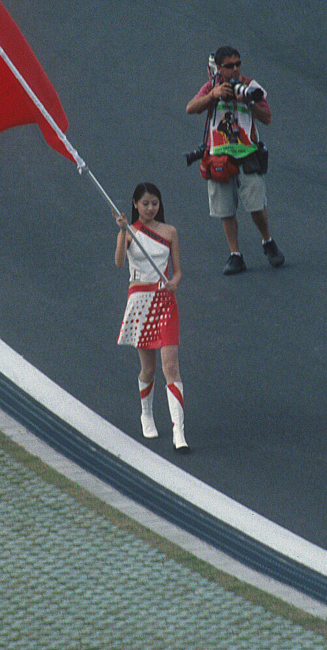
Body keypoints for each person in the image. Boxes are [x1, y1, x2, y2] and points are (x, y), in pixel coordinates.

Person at [185, 45, 285, 275]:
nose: (235, 69)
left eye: (238, 64)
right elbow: (190, 108)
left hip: (248, 154)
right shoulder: (211, 87)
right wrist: (213, 95)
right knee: (225, 210)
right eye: (229, 66)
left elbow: (267, 118)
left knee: (256, 205)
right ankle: (235, 254)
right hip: (219, 156)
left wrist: (249, 102)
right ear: (219, 68)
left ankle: (267, 241)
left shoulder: (251, 86)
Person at [114, 183, 188, 452]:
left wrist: (174, 283)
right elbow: (119, 262)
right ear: (135, 204)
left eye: (154, 203)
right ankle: (146, 414)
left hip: (165, 301)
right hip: (140, 302)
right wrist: (123, 231)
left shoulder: (170, 232)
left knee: (171, 368)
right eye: (145, 203)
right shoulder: (130, 232)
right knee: (149, 368)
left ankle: (178, 431)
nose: (150, 208)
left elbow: (177, 271)